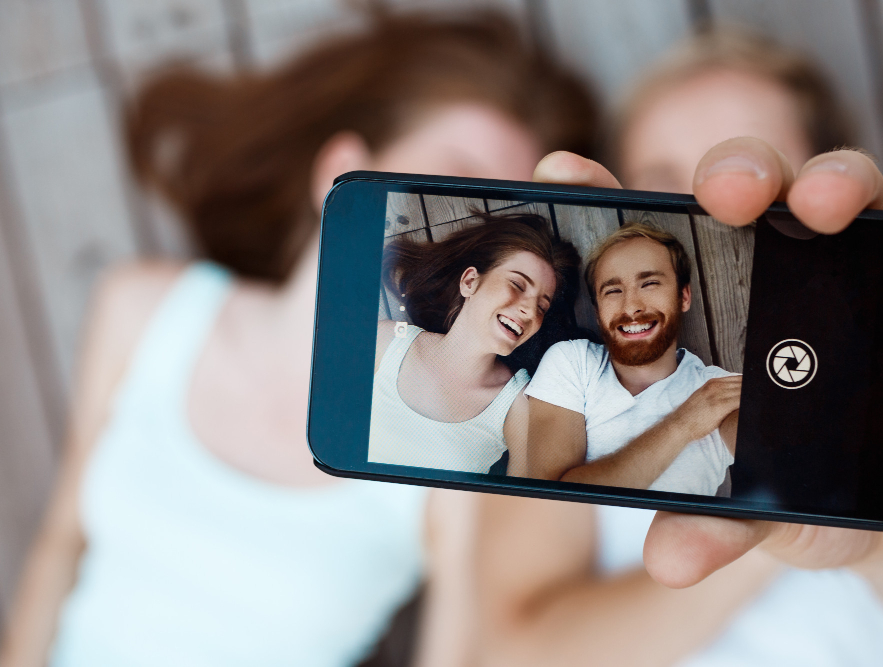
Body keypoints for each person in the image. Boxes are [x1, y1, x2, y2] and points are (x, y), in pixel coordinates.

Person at [0, 10, 597, 667]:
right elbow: (62, 542)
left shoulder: (452, 465)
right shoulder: (144, 310)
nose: (475, 230)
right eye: (452, 182)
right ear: (342, 172)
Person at [474, 29, 883, 666]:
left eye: (760, 196)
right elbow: (507, 651)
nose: (715, 210)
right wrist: (769, 507)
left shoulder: (877, 400)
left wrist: (823, 493)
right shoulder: (581, 378)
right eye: (667, 186)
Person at [524, 222, 740, 494]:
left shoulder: (718, 391)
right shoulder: (572, 362)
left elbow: (776, 458)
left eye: (649, 284)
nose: (631, 307)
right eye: (613, 291)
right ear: (597, 308)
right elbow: (550, 501)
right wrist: (683, 424)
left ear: (683, 296)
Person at [369, 212, 578, 475]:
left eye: (542, 306)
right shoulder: (386, 343)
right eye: (517, 284)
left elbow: (522, 506)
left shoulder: (516, 407)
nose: (530, 311)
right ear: (470, 282)